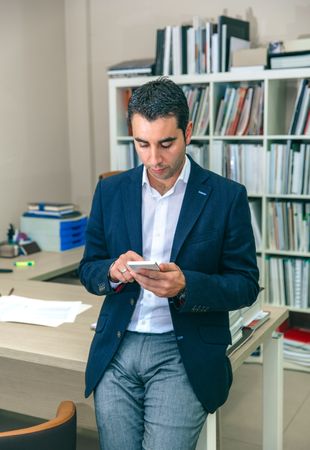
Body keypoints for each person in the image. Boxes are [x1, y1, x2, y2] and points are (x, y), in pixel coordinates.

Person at [79, 77, 260, 450]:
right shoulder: (110, 191)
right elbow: (88, 267)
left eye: (166, 143)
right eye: (141, 144)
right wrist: (112, 272)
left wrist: (186, 286)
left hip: (183, 352)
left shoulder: (226, 197)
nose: (154, 159)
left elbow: (244, 283)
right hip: (118, 346)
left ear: (188, 132)